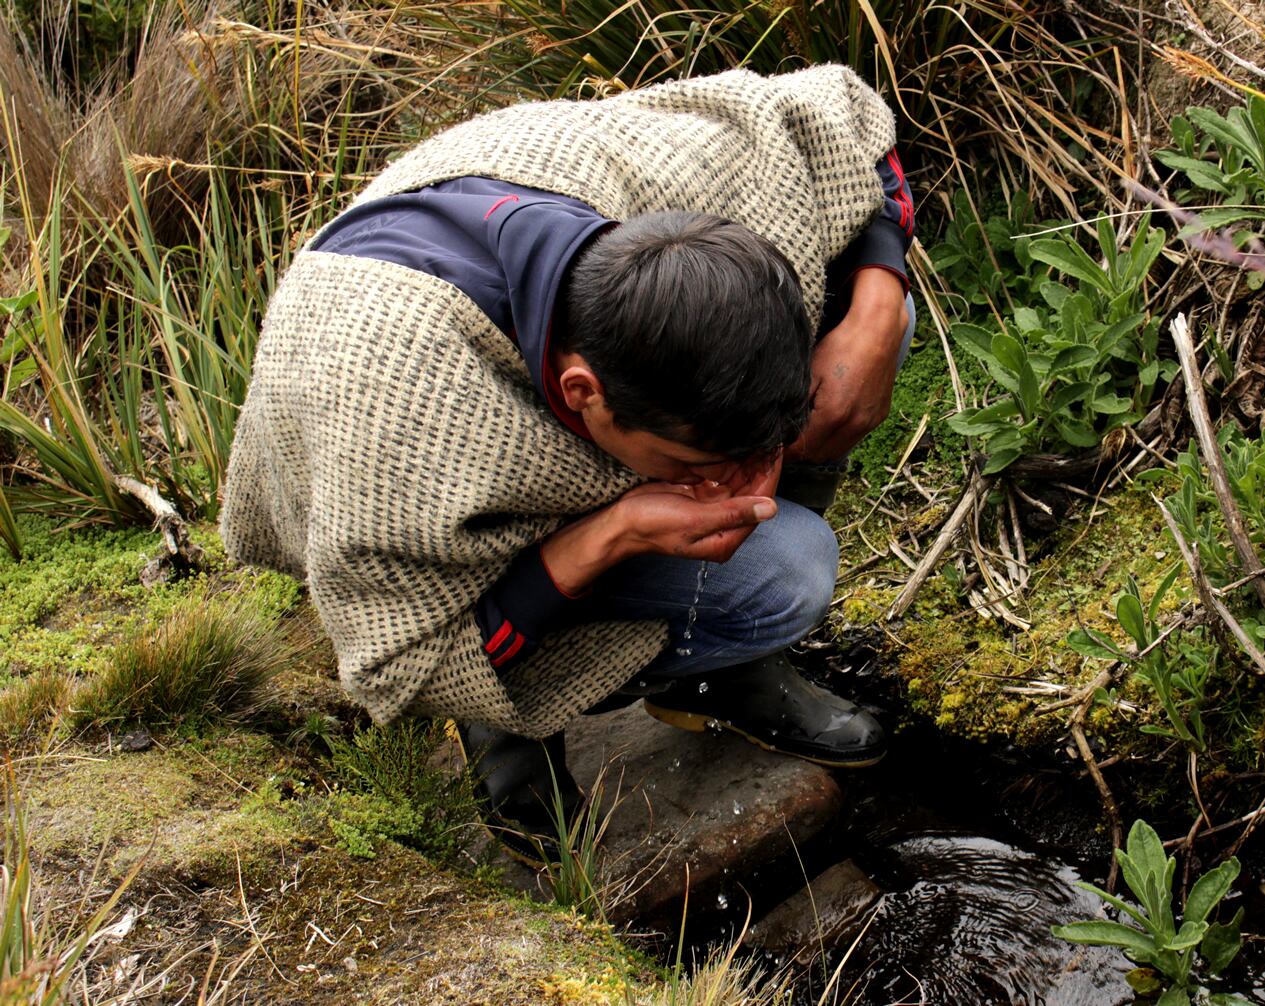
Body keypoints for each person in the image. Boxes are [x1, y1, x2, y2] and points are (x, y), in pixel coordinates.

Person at [221, 65, 915, 861]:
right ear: (585, 393)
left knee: (872, 326)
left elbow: (850, 124)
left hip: (523, 284)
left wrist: (875, 304)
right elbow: (398, 662)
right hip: (408, 461)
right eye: (708, 460)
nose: (755, 483)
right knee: (787, 571)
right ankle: (506, 721)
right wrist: (610, 535)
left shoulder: (692, 180)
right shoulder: (394, 431)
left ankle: (726, 676)